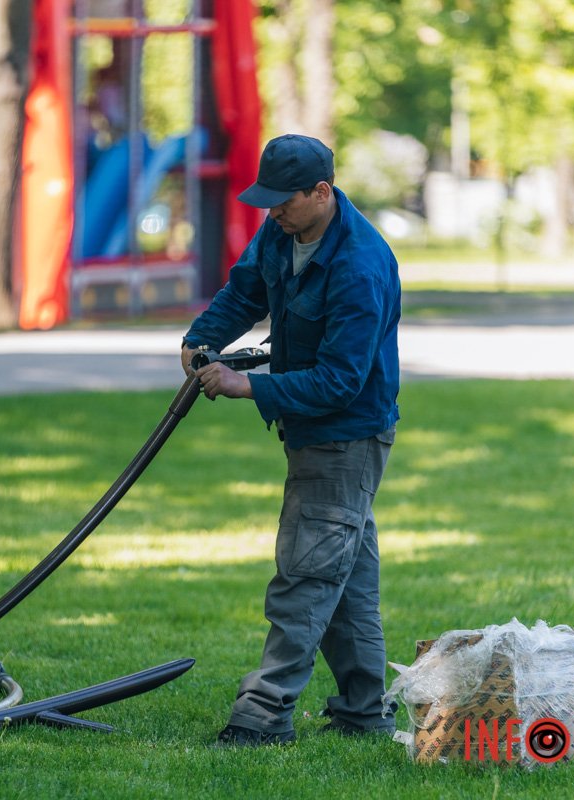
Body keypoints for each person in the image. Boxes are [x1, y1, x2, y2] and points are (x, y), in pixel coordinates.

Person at [181, 134, 401, 747]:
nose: (271, 212)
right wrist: (200, 340)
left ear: (322, 192)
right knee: (343, 575)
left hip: (345, 435)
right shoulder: (283, 231)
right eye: (267, 200)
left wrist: (241, 384)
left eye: (283, 201)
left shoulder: (361, 266)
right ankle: (363, 710)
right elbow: (244, 291)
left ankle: (264, 712)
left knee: (305, 573)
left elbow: (340, 381)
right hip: (311, 432)